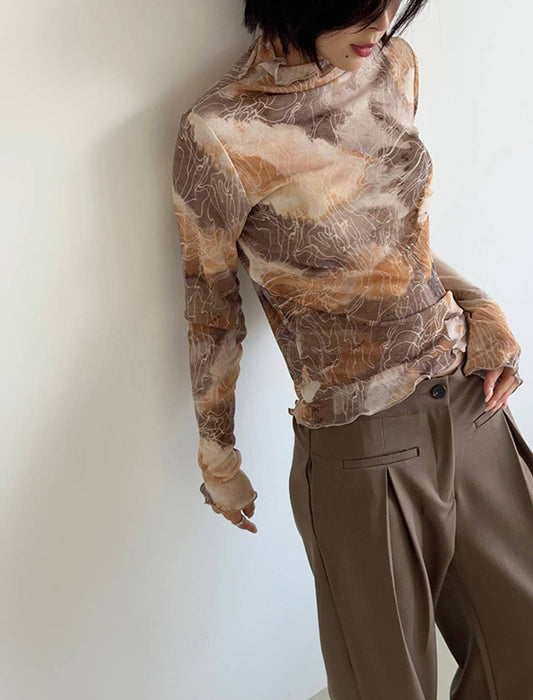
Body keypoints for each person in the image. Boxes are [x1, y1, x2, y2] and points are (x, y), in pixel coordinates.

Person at [171, 1, 533, 697]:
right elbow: (209, 307)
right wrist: (219, 456)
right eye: (365, 5)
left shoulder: (394, 68)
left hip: (471, 404)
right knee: (386, 686)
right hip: (362, 445)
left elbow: (396, 241)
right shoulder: (220, 132)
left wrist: (482, 309)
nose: (384, 23)